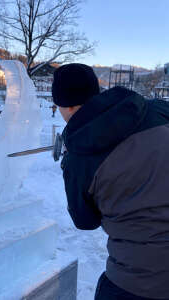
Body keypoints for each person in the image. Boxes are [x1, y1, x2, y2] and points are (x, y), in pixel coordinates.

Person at [52, 63, 169, 300]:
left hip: (138, 282)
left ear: (66, 106)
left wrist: (71, 162)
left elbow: (85, 220)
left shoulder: (78, 159)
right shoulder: (156, 109)